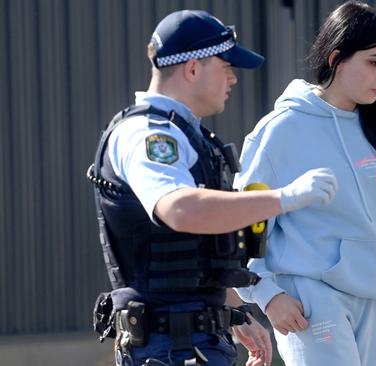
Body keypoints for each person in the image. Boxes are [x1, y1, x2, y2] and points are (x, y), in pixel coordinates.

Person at [87, 9, 337, 366]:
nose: (232, 79)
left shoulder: (187, 135)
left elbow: (197, 250)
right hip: (168, 348)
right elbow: (180, 209)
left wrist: (235, 311)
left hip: (192, 341)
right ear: (192, 68)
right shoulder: (148, 136)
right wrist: (285, 197)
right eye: (225, 66)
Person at [234, 2, 376, 366]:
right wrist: (266, 293)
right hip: (311, 299)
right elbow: (245, 217)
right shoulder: (282, 130)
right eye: (375, 62)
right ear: (336, 59)